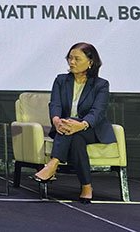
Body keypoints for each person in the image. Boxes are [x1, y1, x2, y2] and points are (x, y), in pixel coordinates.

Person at [32, 42, 116, 203]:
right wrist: (56, 120)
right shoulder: (61, 80)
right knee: (76, 139)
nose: (72, 62)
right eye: (69, 58)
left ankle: (53, 164)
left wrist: (81, 124)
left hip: (91, 129)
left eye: (77, 59)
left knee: (73, 128)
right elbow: (55, 104)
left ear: (90, 62)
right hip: (66, 128)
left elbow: (97, 112)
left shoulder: (101, 85)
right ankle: (86, 186)